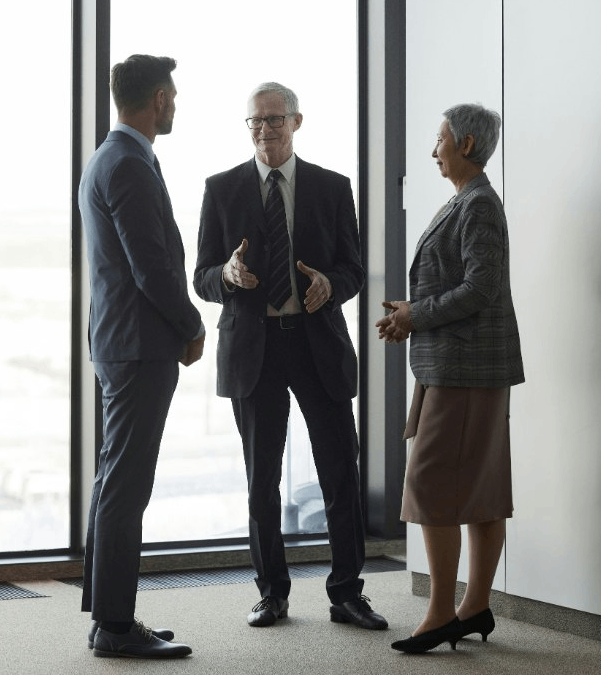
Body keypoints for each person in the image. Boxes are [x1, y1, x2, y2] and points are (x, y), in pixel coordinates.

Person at [194, 82, 387, 631]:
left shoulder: (331, 187)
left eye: (274, 120)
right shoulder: (222, 188)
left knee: (338, 473)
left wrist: (332, 283)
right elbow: (202, 276)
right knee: (262, 480)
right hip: (254, 347)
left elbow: (352, 268)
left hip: (315, 343)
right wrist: (226, 277)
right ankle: (271, 594)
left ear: (297, 122)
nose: (264, 130)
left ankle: (347, 592)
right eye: (255, 121)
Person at [376, 103, 524, 654]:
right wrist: (412, 309)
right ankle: (474, 606)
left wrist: (416, 314)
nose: (432, 150)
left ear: (464, 144)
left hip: (466, 369)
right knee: (481, 491)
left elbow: (481, 290)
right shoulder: (467, 200)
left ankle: (442, 613)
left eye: (439, 140)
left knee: (433, 486)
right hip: (460, 366)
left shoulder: (479, 204)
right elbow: (464, 286)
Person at [78, 54, 204, 659]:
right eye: (172, 96)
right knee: (128, 487)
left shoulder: (110, 157)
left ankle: (107, 614)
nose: (175, 105)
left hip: (120, 345)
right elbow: (149, 266)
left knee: (114, 480)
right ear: (156, 99)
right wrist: (192, 323)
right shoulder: (128, 163)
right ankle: (116, 626)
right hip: (138, 347)